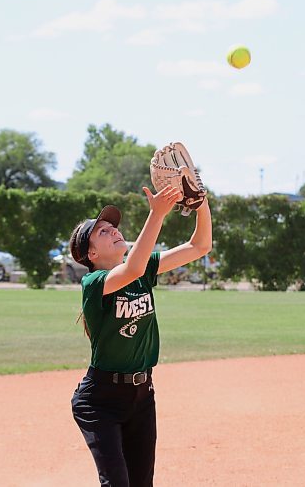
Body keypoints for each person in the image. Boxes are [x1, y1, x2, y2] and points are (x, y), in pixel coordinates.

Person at [70, 185, 212, 487]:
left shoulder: (142, 268)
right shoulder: (94, 282)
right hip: (100, 400)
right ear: (91, 253)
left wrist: (202, 204)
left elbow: (200, 246)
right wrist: (156, 213)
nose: (113, 231)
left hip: (142, 396)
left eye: (113, 227)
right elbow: (132, 268)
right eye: (103, 232)